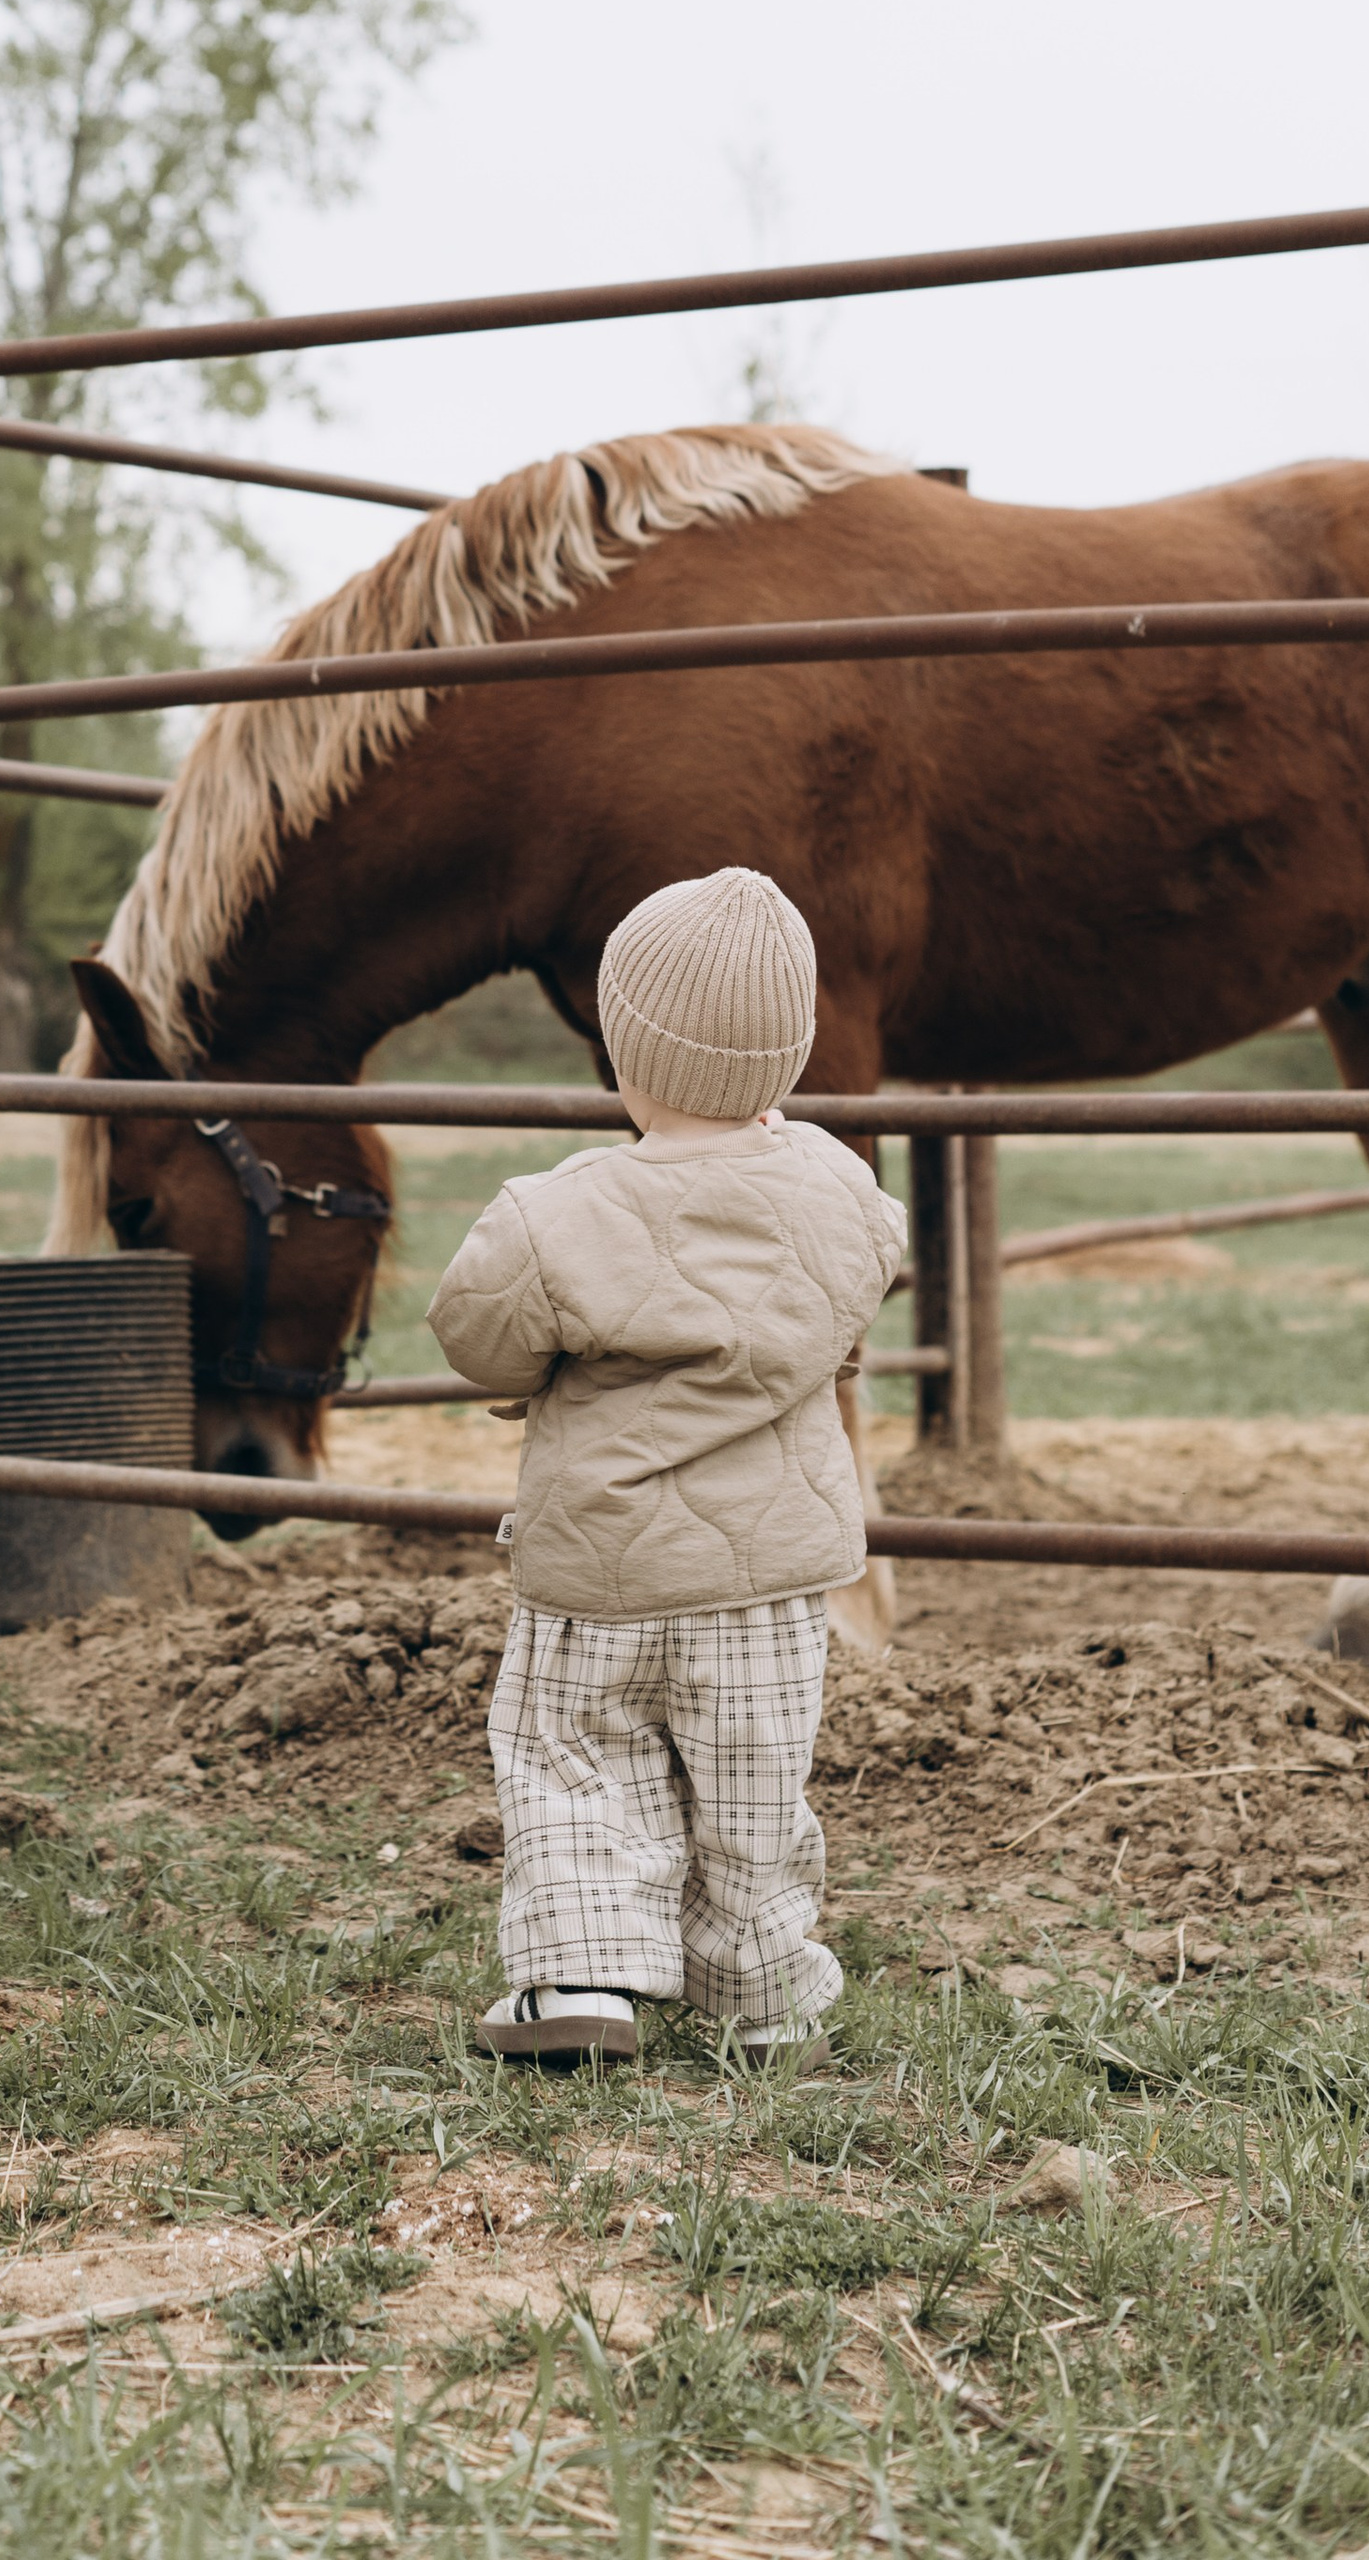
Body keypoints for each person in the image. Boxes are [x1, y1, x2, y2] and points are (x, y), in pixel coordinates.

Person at [428, 866, 905, 2071]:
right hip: (773, 1579)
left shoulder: (556, 1210)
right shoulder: (840, 1188)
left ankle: (585, 1976)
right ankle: (767, 1992)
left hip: (601, 1566)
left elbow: (476, 1331)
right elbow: (870, 1275)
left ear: (617, 1043)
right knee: (753, 1788)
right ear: (790, 1058)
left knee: (575, 1755)